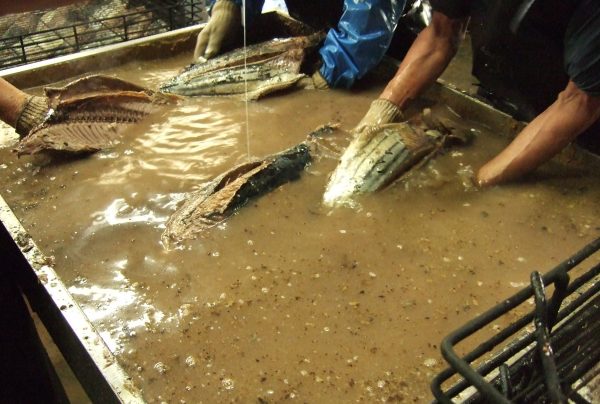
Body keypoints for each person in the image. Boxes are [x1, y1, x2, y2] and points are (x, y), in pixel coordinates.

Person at [354, 0, 600, 186]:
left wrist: (478, 181)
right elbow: (441, 33)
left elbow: (580, 103)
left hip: (581, 123)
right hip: (501, 91)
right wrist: (381, 113)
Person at [193, 0, 411, 89]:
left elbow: (372, 9)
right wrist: (228, 6)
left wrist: (334, 69)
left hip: (383, 35)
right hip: (315, 24)